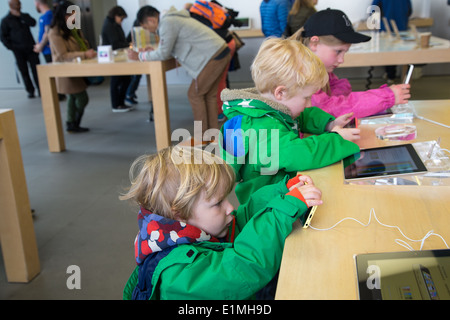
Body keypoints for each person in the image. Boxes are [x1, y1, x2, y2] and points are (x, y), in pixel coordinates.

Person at [121, 146, 323, 300]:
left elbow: (242, 221)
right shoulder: (179, 274)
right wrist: (282, 211)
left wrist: (282, 192)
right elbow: (243, 267)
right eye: (218, 203)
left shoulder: (195, 230)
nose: (229, 208)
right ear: (180, 213)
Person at [219, 38, 360, 205]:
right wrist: (337, 139)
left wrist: (328, 123)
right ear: (281, 93)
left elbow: (303, 115)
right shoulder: (263, 127)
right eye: (306, 97)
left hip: (283, 191)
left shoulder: (271, 107)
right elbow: (301, 153)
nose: (309, 103)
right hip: (266, 205)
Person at [128, 6, 231, 140]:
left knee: (194, 95)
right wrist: (149, 52)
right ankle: (211, 136)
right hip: (220, 51)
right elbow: (168, 47)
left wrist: (140, 56)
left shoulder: (167, 22)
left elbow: (163, 53)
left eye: (146, 27)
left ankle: (202, 138)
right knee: (209, 95)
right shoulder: (172, 19)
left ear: (151, 20)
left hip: (212, 57)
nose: (148, 31)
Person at [289, 8, 411, 119]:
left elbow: (338, 97)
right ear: (314, 43)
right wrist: (386, 97)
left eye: (344, 52)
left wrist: (356, 102)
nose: (342, 60)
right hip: (277, 139)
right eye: (338, 51)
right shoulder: (300, 72)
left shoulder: (319, 68)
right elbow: (327, 110)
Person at [48, 0, 97, 133]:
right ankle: (73, 121)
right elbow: (63, 55)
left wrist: (86, 51)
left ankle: (72, 123)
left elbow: (82, 44)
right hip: (65, 69)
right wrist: (85, 54)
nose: (75, 18)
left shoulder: (73, 28)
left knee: (73, 96)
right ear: (64, 15)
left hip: (77, 67)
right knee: (81, 98)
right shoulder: (54, 32)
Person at [1, 0, 40, 98]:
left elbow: (33, 23)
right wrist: (12, 47)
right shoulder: (6, 20)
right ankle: (30, 90)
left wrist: (21, 15)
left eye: (19, 4)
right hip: (18, 50)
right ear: (11, 5)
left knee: (36, 70)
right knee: (24, 71)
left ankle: (41, 88)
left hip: (30, 48)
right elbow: (3, 36)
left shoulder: (25, 16)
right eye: (16, 4)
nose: (18, 6)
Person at [372, 0, 413, 83]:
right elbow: (409, 11)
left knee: (388, 53)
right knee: (401, 52)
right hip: (402, 28)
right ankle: (404, 78)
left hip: (386, 29)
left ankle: (390, 75)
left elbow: (374, 10)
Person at [102, 6, 133, 113]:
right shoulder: (109, 25)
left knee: (126, 79)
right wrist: (128, 44)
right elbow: (115, 43)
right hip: (112, 57)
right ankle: (116, 105)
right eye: (121, 18)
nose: (122, 21)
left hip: (117, 56)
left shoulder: (115, 25)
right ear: (116, 16)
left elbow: (121, 40)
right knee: (116, 81)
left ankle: (120, 103)